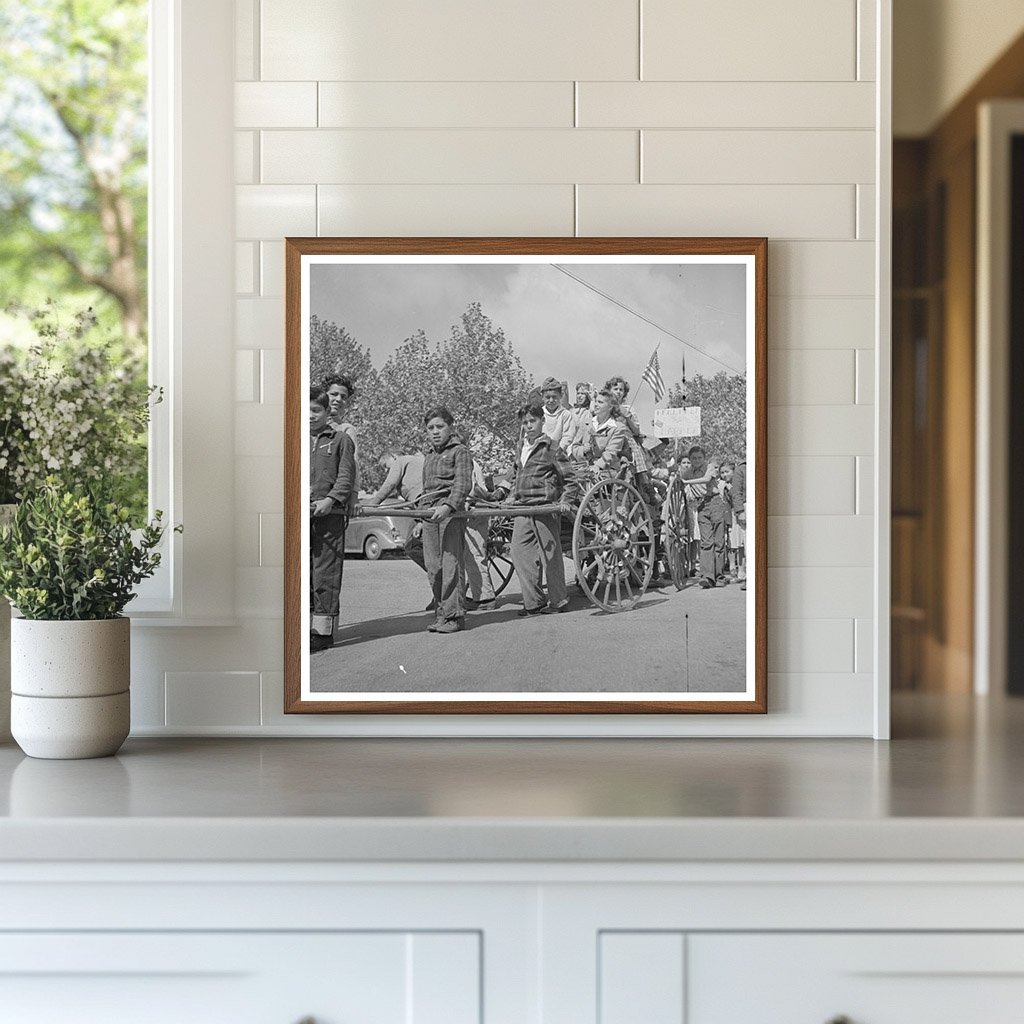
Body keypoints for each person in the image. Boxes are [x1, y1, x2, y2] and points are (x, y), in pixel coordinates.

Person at [508, 402, 577, 615]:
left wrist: (566, 500)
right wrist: (506, 494)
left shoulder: (552, 447)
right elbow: (514, 476)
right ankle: (534, 602)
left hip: (544, 506)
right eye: (525, 422)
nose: (529, 426)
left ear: (542, 421)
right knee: (519, 552)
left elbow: (571, 479)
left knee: (551, 555)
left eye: (533, 421)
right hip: (523, 507)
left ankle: (559, 601)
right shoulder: (521, 447)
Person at [308, 388, 355, 653]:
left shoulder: (340, 440)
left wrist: (331, 500)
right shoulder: (293, 438)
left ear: (328, 413)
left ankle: (323, 634)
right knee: (300, 574)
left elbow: (346, 476)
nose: (310, 416)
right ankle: (303, 627)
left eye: (316, 410)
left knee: (325, 574)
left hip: (329, 515)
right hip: (300, 515)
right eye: (306, 411)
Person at [419, 407, 473, 634]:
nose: (435, 432)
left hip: (451, 513)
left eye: (440, 426)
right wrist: (420, 519)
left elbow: (462, 484)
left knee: (451, 565)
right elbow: (426, 490)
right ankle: (441, 614)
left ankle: (455, 616)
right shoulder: (429, 455)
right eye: (430, 428)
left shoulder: (460, 451)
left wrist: (448, 506)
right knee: (434, 567)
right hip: (429, 514)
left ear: (450, 427)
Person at [361, 452, 427, 573]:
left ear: (393, 456)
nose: (387, 471)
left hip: (423, 503)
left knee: (413, 546)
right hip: (424, 504)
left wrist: (372, 504)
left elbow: (390, 484)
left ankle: (443, 577)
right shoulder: (416, 462)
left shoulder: (399, 461)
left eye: (386, 465)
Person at [684, 446, 729, 588]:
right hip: (701, 506)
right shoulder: (687, 472)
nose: (696, 460)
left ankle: (719, 576)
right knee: (706, 542)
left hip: (715, 503)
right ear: (690, 459)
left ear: (704, 458)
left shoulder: (709, 467)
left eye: (699, 458)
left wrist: (686, 482)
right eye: (694, 458)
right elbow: (678, 482)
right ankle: (707, 576)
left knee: (719, 542)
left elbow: (706, 479)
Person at [322, 373, 360, 514]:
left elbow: (353, 463)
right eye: (334, 394)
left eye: (343, 397)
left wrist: (354, 495)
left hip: (334, 500)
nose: (338, 399)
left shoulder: (345, 429)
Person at [571, 388, 629, 471]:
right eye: (596, 401)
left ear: (610, 407)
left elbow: (611, 452)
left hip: (607, 470)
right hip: (584, 467)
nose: (596, 405)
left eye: (600, 402)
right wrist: (583, 450)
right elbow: (575, 447)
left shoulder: (618, 428)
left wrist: (598, 466)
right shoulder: (586, 423)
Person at [539, 376, 576, 452]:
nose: (551, 400)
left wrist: (558, 451)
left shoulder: (565, 415)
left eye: (554, 397)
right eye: (548, 397)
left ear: (561, 396)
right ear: (542, 397)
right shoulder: (539, 414)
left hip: (558, 453)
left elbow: (568, 436)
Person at [732, 458, 747, 591]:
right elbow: (736, 492)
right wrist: (740, 511)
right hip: (747, 506)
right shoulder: (741, 469)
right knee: (749, 544)